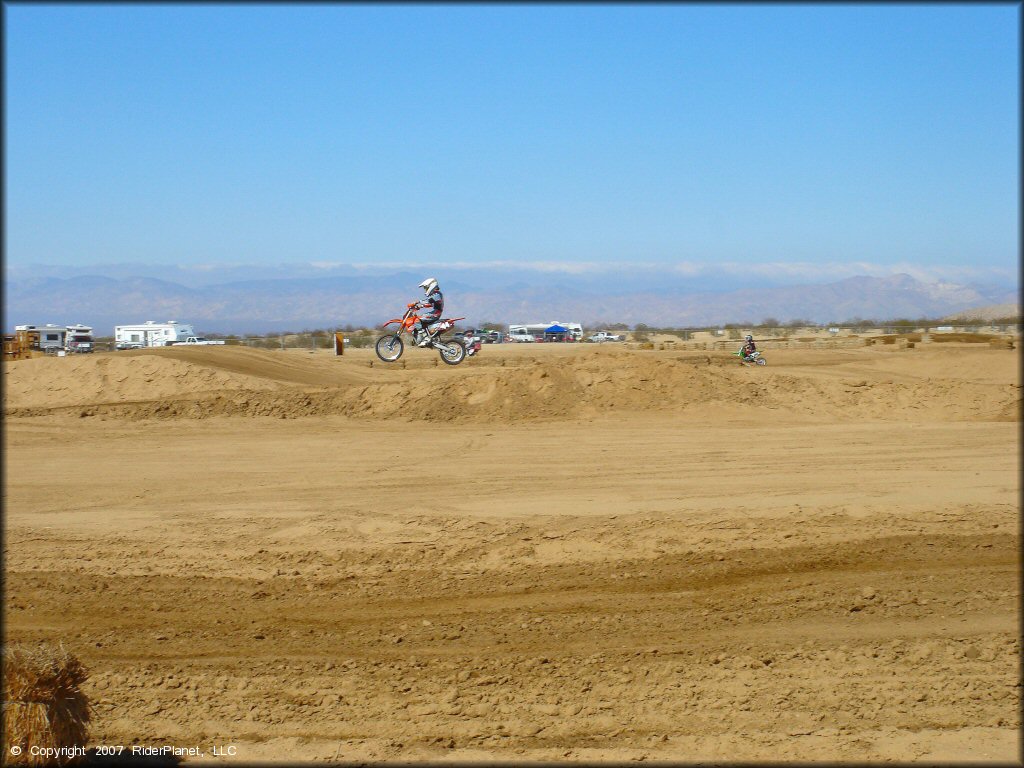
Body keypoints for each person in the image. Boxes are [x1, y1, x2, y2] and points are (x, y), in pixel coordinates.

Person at [410, 277, 444, 346]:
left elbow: (428, 301)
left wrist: (417, 302)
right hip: (436, 312)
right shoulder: (436, 294)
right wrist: (420, 306)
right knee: (422, 321)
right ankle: (425, 336)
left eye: (426, 288)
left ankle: (425, 338)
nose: (425, 290)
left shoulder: (436, 294)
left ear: (431, 286)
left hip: (436, 313)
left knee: (417, 320)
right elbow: (430, 304)